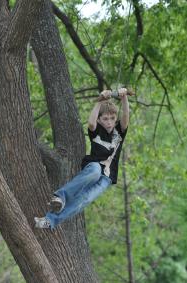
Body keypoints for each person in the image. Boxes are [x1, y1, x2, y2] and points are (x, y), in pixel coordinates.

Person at [34, 88, 130, 229]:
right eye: (105, 119)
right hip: (95, 166)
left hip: (107, 178)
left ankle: (50, 221)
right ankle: (60, 197)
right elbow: (91, 123)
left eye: (112, 119)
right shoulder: (96, 130)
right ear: (99, 119)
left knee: (85, 199)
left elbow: (126, 117)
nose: (109, 122)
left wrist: (124, 97)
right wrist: (100, 101)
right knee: (95, 171)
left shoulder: (118, 132)